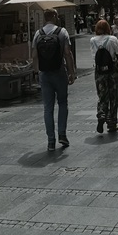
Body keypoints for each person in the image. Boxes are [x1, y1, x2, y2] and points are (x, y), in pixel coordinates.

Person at [32, 9, 76, 151]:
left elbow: (34, 55)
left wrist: (36, 72)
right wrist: (71, 72)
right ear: (55, 16)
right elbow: (67, 53)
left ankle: (51, 141)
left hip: (44, 74)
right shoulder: (62, 32)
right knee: (62, 103)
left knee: (48, 107)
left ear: (45, 18)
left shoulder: (38, 34)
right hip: (59, 72)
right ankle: (62, 134)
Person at [90, 19, 118, 133]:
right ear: (108, 28)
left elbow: (94, 56)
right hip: (112, 70)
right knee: (114, 96)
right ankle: (112, 122)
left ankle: (101, 114)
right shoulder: (112, 39)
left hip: (99, 71)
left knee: (102, 95)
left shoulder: (93, 40)